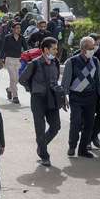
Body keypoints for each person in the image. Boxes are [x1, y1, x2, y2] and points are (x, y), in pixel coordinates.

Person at [19, 37, 65, 167]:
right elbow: (22, 79)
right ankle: (44, 155)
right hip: (38, 99)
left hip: (52, 99)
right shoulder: (34, 64)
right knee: (40, 129)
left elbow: (56, 80)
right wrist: (32, 89)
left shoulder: (55, 62)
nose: (56, 51)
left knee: (56, 126)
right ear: (45, 49)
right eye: (54, 49)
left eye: (56, 48)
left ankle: (41, 144)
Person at [62, 37, 100, 158]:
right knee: (75, 122)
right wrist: (64, 97)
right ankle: (72, 145)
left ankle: (83, 149)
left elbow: (98, 80)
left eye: (93, 48)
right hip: (76, 96)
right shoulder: (72, 62)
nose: (93, 50)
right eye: (91, 48)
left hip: (91, 97)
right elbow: (65, 81)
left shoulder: (95, 61)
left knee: (89, 124)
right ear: (83, 49)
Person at [0, 22, 27, 104]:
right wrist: (0, 60)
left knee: (16, 79)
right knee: (13, 77)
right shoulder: (7, 37)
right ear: (13, 29)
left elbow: (26, 49)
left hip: (18, 60)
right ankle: (15, 96)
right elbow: (3, 48)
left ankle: (9, 89)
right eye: (17, 28)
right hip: (9, 59)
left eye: (19, 28)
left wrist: (29, 58)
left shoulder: (22, 38)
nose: (18, 29)